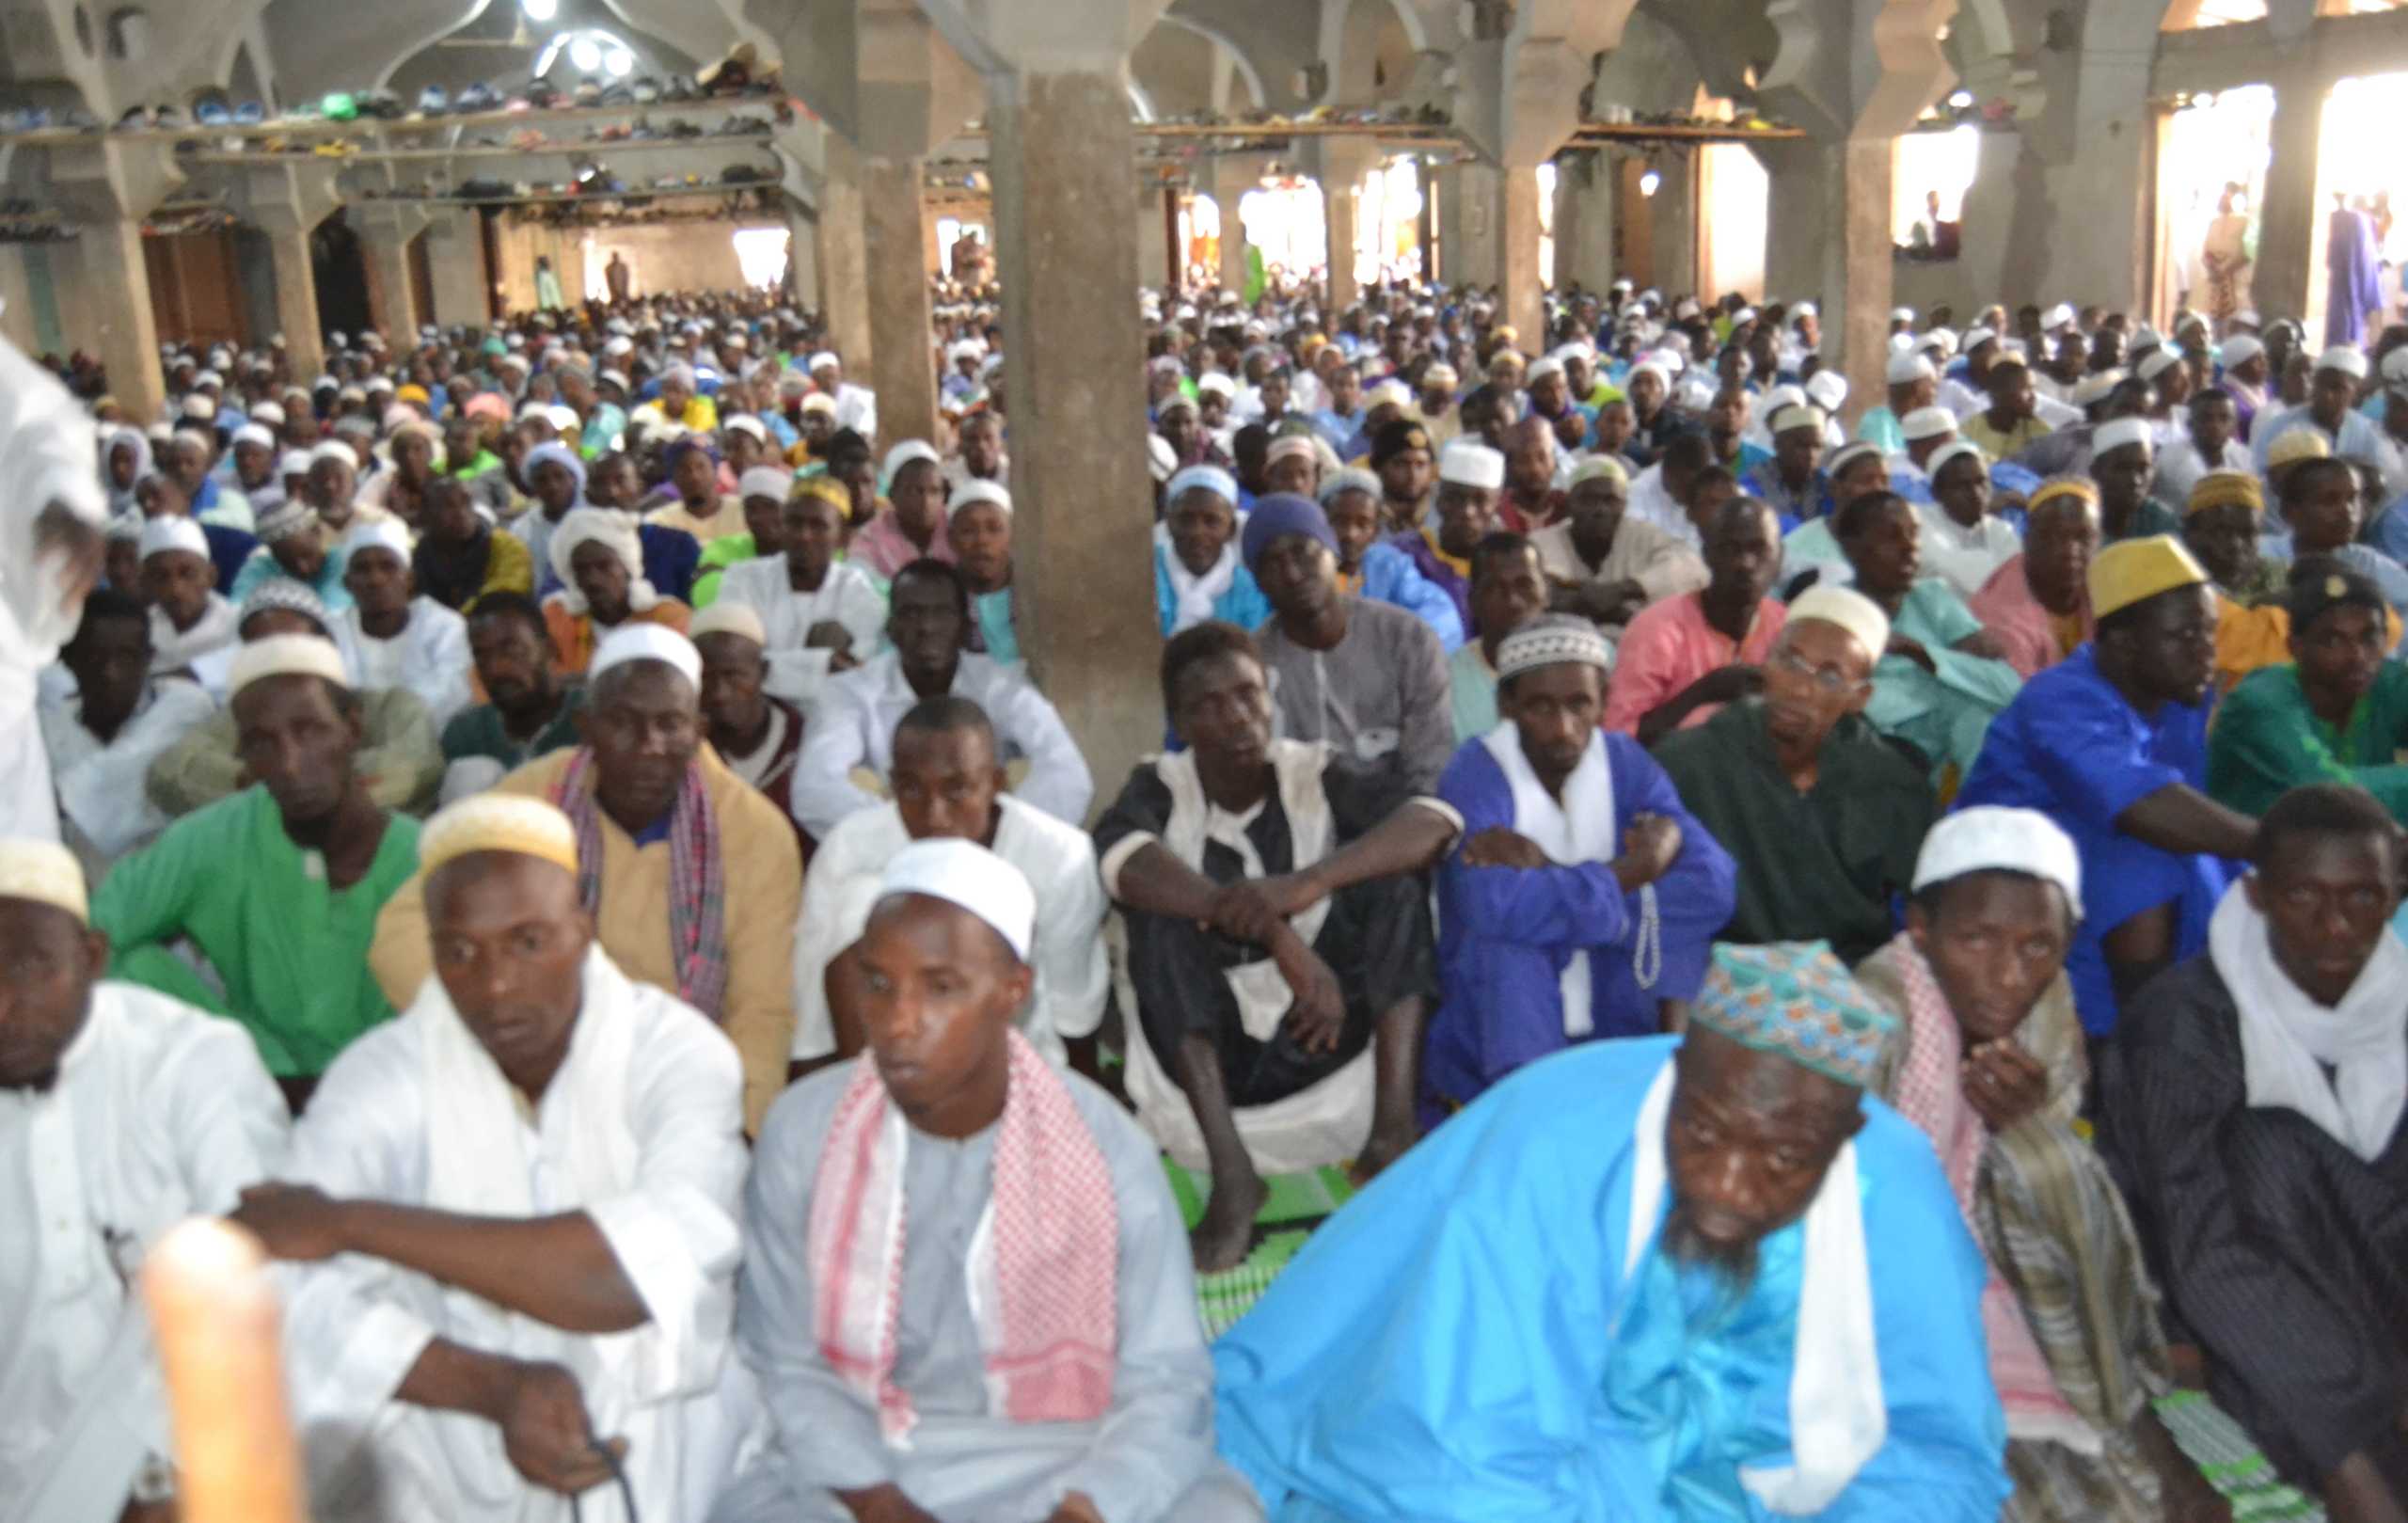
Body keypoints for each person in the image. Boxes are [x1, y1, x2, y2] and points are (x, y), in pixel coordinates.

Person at [1213, 941, 2009, 1523]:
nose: (1728, 1184)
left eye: (1784, 1157)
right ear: (1674, 1076)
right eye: (1701, 1133)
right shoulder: (1551, 1151)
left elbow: (1935, 1451)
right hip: (1547, 1467)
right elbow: (1466, 1460)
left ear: (1842, 1140)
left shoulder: (1895, 1193)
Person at [716, 837, 1261, 1523]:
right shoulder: (804, 1132)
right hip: (870, 1458)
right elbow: (784, 1362)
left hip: (1071, 1454)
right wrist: (882, 1506)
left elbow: (1167, 1377)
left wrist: (1087, 1510)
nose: (896, 1020)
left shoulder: (1106, 1146)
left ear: (1013, 993)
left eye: (940, 986)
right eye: (877, 982)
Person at [243, 795, 752, 1523]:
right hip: (450, 1429)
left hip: (655, 1426)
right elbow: (283, 1283)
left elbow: (620, 1277)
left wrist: (350, 1221)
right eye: (459, 951)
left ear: (584, 920)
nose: (495, 985)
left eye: (528, 940)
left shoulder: (678, 1054)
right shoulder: (387, 1069)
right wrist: (492, 1387)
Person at [1855, 809, 2225, 1523]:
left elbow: (2060, 1210)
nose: (2006, 974)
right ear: (1921, 928)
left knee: (2049, 1161)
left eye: (2037, 946)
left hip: (2007, 1279)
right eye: (1976, 939)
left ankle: (2128, 1417)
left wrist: (2017, 1124)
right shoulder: (1868, 1018)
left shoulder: (2049, 1007)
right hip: (1877, 1301)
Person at [1095, 621, 1460, 1270]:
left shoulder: (1315, 770)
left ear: (1270, 695)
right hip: (1210, 1051)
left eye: (1247, 694)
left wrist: (1304, 883)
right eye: (1209, 705)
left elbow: (1432, 822)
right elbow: (1122, 859)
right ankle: (1234, 1174)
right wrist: (1273, 931)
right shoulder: (1160, 784)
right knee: (1158, 917)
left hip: (1322, 1031)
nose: (1237, 717)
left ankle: (1392, 1133)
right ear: (1179, 720)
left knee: (1396, 885)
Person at [2111, 785, 2408, 1523]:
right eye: (2305, 894)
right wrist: (2350, 1455)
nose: (2338, 926)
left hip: (2368, 1283)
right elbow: (2203, 1252)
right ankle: (2348, 1445)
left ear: (2396, 893)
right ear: (2257, 894)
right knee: (2266, 1147)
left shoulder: (2395, 997)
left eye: (2365, 896)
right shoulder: (2185, 1023)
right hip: (2238, 1309)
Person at [372, 626, 800, 1135]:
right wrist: (507, 1033)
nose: (649, 746)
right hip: (530, 1078)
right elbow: (401, 933)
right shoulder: (534, 797)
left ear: (698, 729)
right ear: (585, 726)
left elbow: (761, 1009)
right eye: (622, 722)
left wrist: (737, 1130)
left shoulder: (753, 831)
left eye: (670, 724)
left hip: (677, 1092)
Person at [0, 837, 289, 1523]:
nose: (2, 1006)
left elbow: (273, 1269)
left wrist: (174, 1473)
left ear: (91, 959)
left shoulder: (189, 1060)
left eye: (29, 966)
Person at [93, 634, 421, 1106]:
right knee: (113, 963)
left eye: (309, 729)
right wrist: (241, 1061)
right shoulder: (216, 835)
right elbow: (96, 926)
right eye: (262, 743)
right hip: (250, 1084)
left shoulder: (423, 856)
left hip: (394, 1103)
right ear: (243, 756)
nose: (288, 764)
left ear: (352, 728)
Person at [1425, 616, 1735, 1112]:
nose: (1563, 730)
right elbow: (1489, 905)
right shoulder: (1477, 772)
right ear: (1507, 705)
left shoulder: (1625, 763)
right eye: (1540, 708)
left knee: (1675, 934)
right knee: (1509, 947)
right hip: (1503, 1019)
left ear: (1603, 701)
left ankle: (1673, 1091)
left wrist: (1555, 882)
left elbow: (1713, 885)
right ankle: (1533, 1109)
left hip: (1613, 993)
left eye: (1579, 704)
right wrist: (1630, 874)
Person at [1956, 535, 2254, 1039]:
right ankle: (2134, 1048)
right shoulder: (2058, 698)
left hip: (2093, 857)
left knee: (2230, 874)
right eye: (2185, 636)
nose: (2208, 651)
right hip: (2005, 877)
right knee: (2144, 872)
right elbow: (2142, 805)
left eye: (2209, 631)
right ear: (2123, 644)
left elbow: (2187, 812)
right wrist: (2282, 842)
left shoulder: (2181, 699)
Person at [789, 695, 1107, 1071]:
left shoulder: (1058, 857)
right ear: (891, 785)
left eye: (957, 790)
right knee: (861, 903)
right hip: (876, 1072)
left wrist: (1076, 1117)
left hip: (1016, 1073)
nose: (934, 815)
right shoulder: (851, 847)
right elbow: (810, 1028)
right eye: (911, 789)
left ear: (996, 784)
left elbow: (1074, 1019)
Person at [1656, 586, 1936, 963]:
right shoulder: (1688, 763)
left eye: (1830, 678)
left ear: (1860, 697)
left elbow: (1934, 905)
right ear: (1766, 663)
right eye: (1790, 662)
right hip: (1719, 975)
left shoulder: (1893, 784)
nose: (1800, 689)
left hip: (1848, 981)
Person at [788, 559, 1092, 839]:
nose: (927, 627)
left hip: (990, 853)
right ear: (891, 628)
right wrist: (916, 830)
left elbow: (1068, 773)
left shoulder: (1000, 686)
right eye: (911, 613)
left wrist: (994, 832)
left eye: (942, 613)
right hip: (893, 856)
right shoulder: (849, 693)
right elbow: (815, 790)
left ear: (964, 627)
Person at [146, 581, 446, 818]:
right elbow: (170, 773)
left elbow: (414, 768)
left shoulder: (391, 706)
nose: (278, 660)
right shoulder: (236, 720)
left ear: (327, 644)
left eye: (291, 644)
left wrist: (260, 789)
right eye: (261, 649)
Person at [1245, 494, 1456, 792]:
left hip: (1401, 823)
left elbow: (1430, 771)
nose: (1292, 574)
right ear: (1257, 581)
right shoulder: (1253, 664)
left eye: (1303, 553)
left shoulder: (1408, 640)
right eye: (1272, 563)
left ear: (1334, 554)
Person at [1833, 489, 2022, 781]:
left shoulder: (1932, 598)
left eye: (1914, 533)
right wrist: (1948, 675)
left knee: (1982, 722)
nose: (1910, 547)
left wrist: (1921, 653)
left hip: (1945, 768)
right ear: (1851, 548)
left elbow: (2009, 690)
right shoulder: (1831, 612)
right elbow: (1853, 706)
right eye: (1892, 536)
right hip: (1869, 771)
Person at [40, 589, 217, 883]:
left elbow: (134, 762)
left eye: (126, 657)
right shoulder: (53, 725)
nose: (110, 673)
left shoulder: (184, 705)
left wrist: (55, 795)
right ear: (68, 659)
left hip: (170, 903)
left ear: (149, 659)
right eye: (94, 656)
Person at [2207, 561, 2408, 820]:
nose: (2358, 656)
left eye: (2370, 637)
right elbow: (2325, 793)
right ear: (2295, 648)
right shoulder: (2260, 702)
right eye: (2333, 641)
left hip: (2354, 848)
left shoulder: (2386, 683)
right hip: (2246, 856)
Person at [1602, 496, 1789, 740]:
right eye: (1730, 549)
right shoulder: (1657, 628)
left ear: (1779, 557)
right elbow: (1620, 739)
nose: (1745, 563)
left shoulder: (1790, 628)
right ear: (1706, 554)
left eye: (1758, 549)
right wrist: (1704, 692)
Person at [714, 478, 888, 706]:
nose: (804, 535)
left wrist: (767, 667)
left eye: (818, 525)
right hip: (755, 713)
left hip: (833, 714)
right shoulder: (744, 579)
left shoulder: (858, 592)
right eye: (795, 523)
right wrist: (823, 663)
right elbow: (732, 663)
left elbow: (856, 674)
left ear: (843, 536)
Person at [1530, 455, 1707, 638]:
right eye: (1588, 499)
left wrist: (1621, 590)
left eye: (1610, 500)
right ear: (1570, 503)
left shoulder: (1642, 535)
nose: (1600, 509)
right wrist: (1615, 612)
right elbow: (1537, 586)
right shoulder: (1543, 541)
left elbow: (1691, 568)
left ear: (1624, 505)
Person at [439, 590, 586, 803]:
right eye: (481, 656)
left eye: (511, 650)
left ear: (548, 649)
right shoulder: (465, 735)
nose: (496, 668)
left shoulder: (590, 720)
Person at [336, 519, 474, 732]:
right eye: (362, 569)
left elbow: (453, 696)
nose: (376, 579)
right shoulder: (333, 633)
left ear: (409, 579)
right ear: (347, 584)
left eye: (388, 566)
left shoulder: (444, 627)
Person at [1316, 469, 1465, 650]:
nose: (1350, 534)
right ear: (1321, 522)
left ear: (1376, 530)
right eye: (1339, 521)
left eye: (1362, 524)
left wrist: (1393, 648)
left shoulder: (1388, 565)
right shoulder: (1306, 567)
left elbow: (1442, 617)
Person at [1972, 477, 2101, 678]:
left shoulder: (2101, 593)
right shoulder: (2002, 619)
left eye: (2083, 537)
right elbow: (2026, 702)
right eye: (2055, 537)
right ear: (2028, 539)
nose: (2071, 550)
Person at [541, 505, 693, 675]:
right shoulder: (558, 619)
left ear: (627, 568)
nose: (593, 580)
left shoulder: (668, 619)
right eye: (582, 569)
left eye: (604, 566)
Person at [2179, 470, 2293, 693]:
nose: (2236, 546)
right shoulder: (2175, 588)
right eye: (2221, 532)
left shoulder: (2282, 577)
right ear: (2191, 534)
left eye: (2248, 533)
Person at [1391, 439, 1504, 632]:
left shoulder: (1508, 560)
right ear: (1439, 500)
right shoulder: (1403, 554)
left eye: (1480, 500)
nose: (1468, 511)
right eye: (1455, 498)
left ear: (1496, 504)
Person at [1157, 465, 1271, 636]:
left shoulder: (1247, 589)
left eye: (1212, 521)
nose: (1197, 532)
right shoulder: (1146, 574)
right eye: (1186, 519)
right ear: (1169, 523)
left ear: (1231, 529)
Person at [1918, 440, 2022, 598]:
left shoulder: (2001, 530)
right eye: (1962, 486)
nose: (1976, 494)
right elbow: (1942, 567)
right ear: (1936, 493)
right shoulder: (1920, 523)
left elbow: (2015, 585)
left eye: (1981, 482)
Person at [138, 516, 239, 675]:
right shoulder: (139, 630)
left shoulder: (238, 625)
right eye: (161, 577)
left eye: (188, 574)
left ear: (211, 576)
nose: (175, 589)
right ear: (145, 583)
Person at [850, 441, 957, 579]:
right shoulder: (871, 541)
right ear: (892, 495)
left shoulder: (957, 530)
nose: (926, 501)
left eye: (934, 491)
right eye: (915, 491)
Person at [230, 499, 354, 611]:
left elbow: (332, 613)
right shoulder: (259, 568)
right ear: (272, 554)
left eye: (307, 555)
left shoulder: (343, 560)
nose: (302, 568)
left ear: (317, 532)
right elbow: (237, 610)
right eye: (287, 562)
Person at [946, 479, 1019, 663]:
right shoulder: (941, 594)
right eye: (968, 530)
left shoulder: (1031, 594)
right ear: (951, 539)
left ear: (1013, 534)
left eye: (995, 529)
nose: (982, 540)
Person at [2153, 388, 2253, 515]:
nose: (2215, 425)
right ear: (2189, 424)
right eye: (2206, 418)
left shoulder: (2245, 457)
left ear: (2235, 425)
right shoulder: (2170, 457)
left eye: (2224, 418)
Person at [1739, 401, 1831, 525]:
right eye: (1802, 446)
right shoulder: (1753, 483)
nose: (1811, 455)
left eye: (1817, 447)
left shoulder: (1826, 484)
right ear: (1777, 445)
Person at [1960, 352, 2054, 461]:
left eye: (2033, 389)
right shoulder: (1969, 431)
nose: (2033, 396)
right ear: (2000, 392)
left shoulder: (2042, 435)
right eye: (2026, 389)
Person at [647, 436, 743, 543]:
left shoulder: (742, 512)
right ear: (673, 479)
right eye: (685, 469)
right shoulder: (661, 523)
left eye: (701, 467)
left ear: (715, 472)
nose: (694, 476)